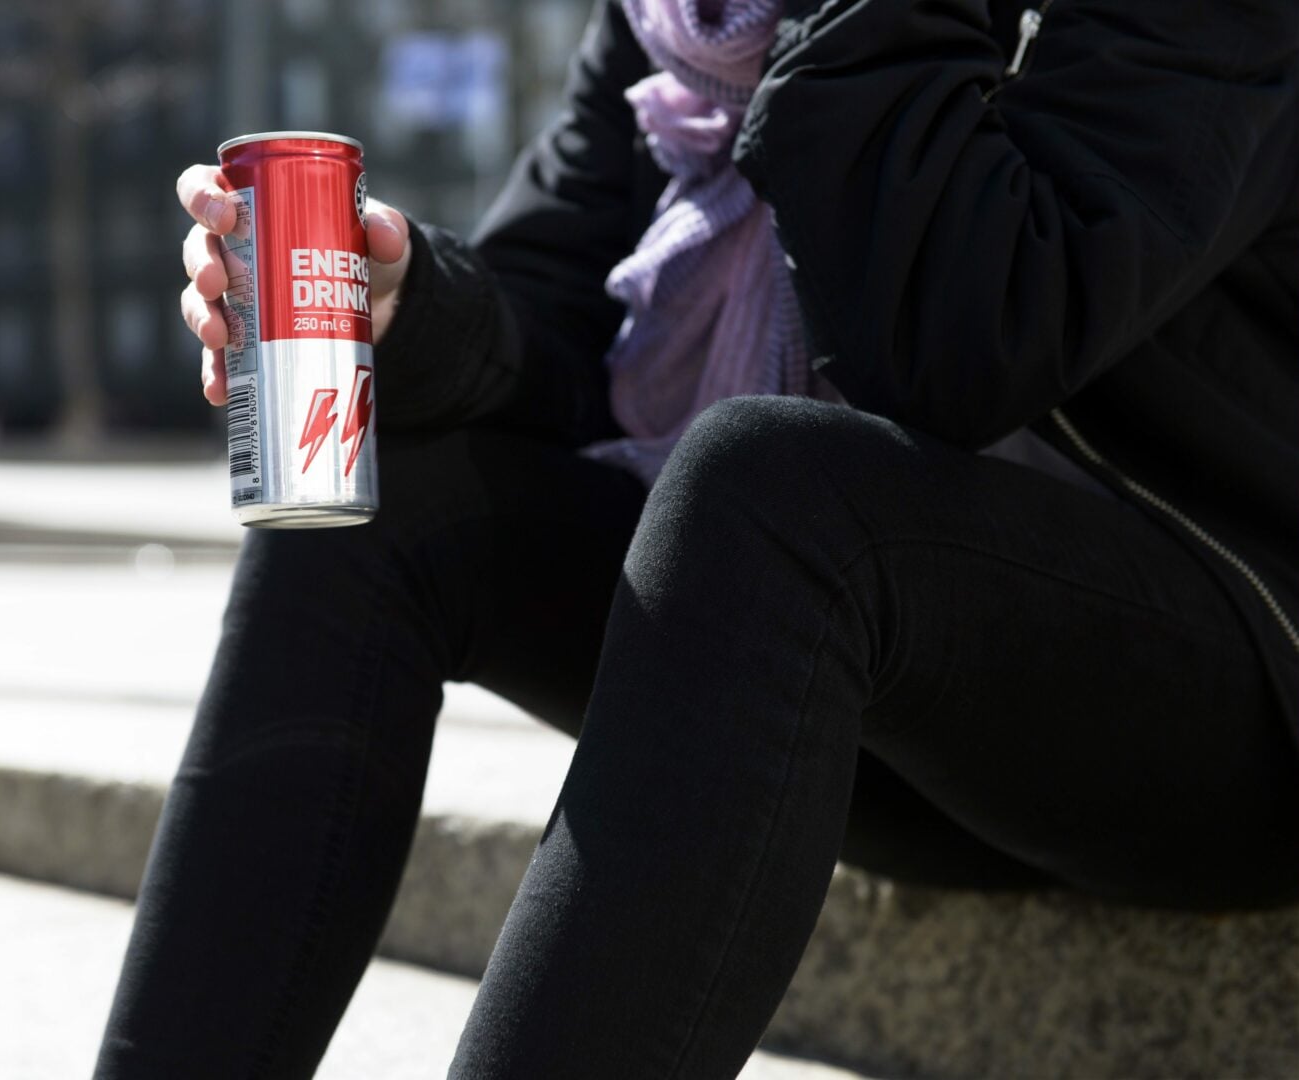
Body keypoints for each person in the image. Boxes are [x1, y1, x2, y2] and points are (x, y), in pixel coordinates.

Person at [95, 0, 1299, 1075]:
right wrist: (404, 310)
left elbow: (963, 340)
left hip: (1225, 698)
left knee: (766, 487)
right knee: (374, 496)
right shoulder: (690, 20)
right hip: (894, 715)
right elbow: (565, 331)